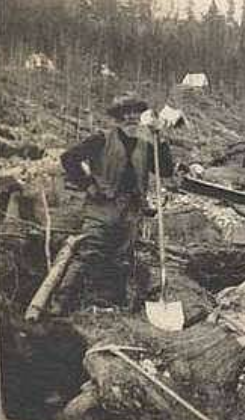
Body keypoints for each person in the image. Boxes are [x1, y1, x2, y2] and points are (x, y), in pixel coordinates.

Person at [56, 96, 175, 313]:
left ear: (141, 116)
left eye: (134, 112)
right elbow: (69, 158)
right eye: (125, 113)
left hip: (132, 208)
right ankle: (62, 303)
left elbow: (166, 170)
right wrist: (87, 184)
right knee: (88, 252)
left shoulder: (148, 144)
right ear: (118, 117)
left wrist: (162, 140)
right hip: (102, 206)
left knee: (122, 258)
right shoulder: (101, 139)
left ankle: (111, 305)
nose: (130, 117)